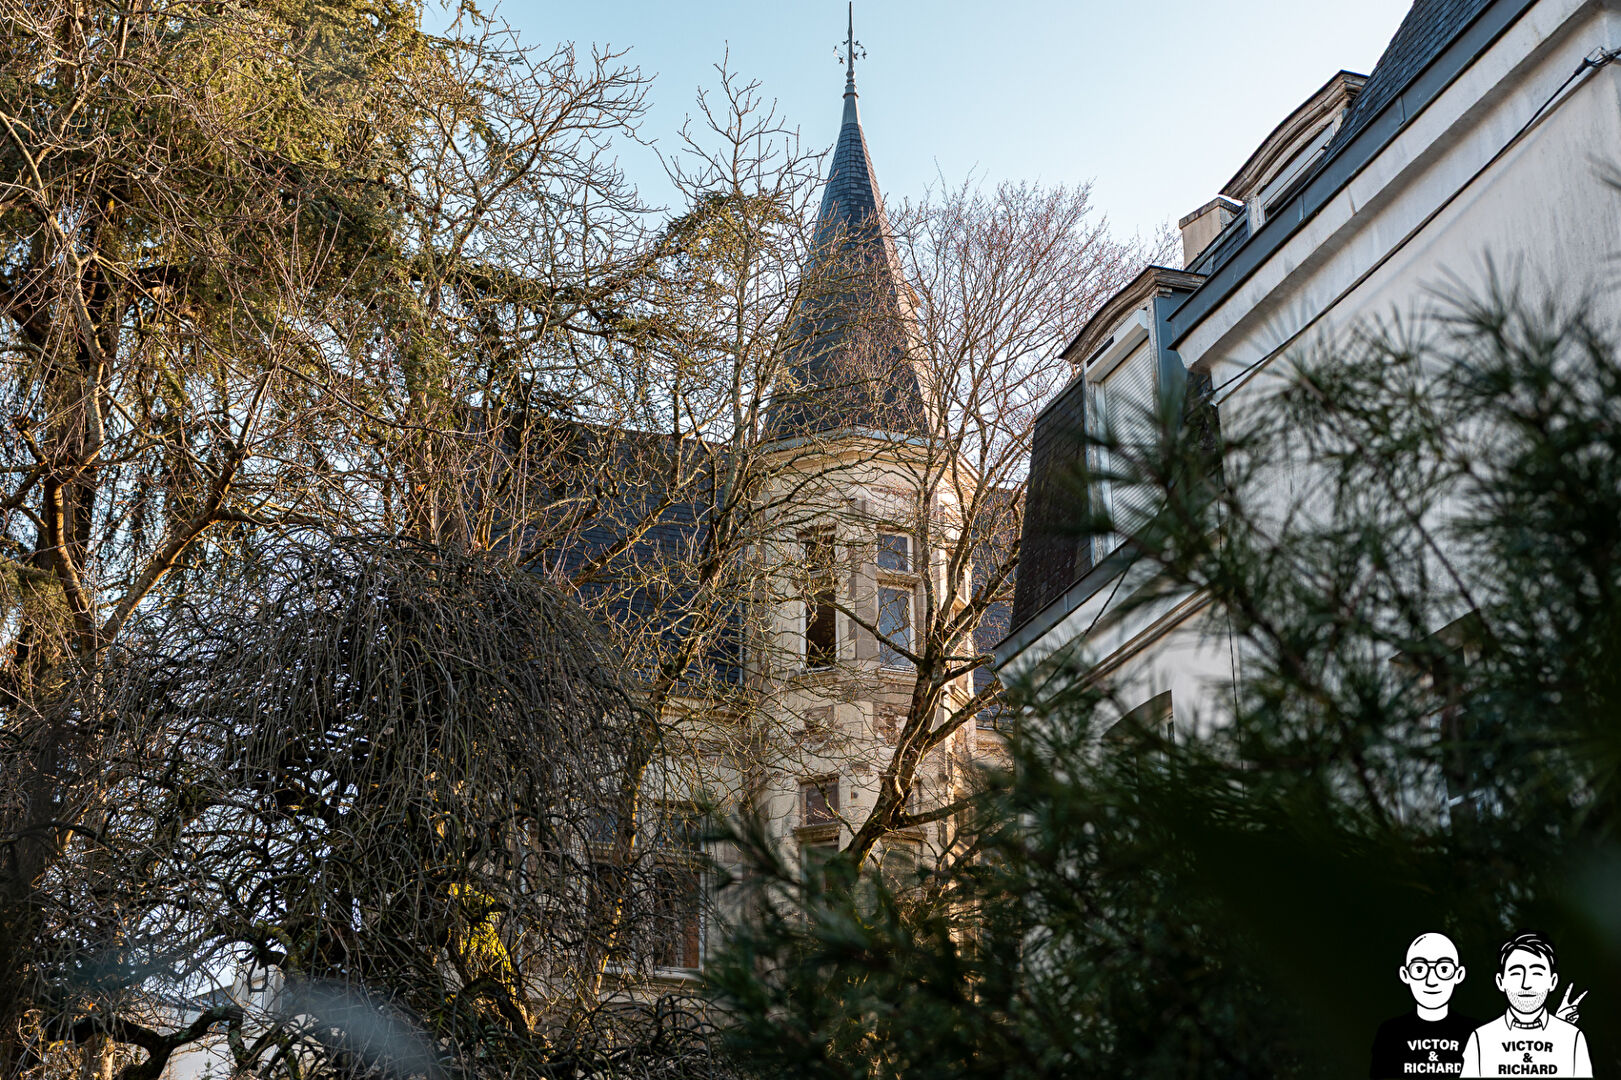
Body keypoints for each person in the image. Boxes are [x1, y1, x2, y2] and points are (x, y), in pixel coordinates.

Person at [1461, 930, 1590, 1078]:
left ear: (1552, 981)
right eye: (1516, 973)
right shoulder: (1481, 1039)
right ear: (1500, 981)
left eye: (1537, 973)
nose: (1526, 984)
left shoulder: (1573, 1038)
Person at [1371, 932, 1478, 1077]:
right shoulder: (1390, 1033)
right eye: (1420, 969)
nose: (1431, 981)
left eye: (1444, 969)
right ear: (1405, 975)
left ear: (1459, 975)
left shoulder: (1477, 1034)